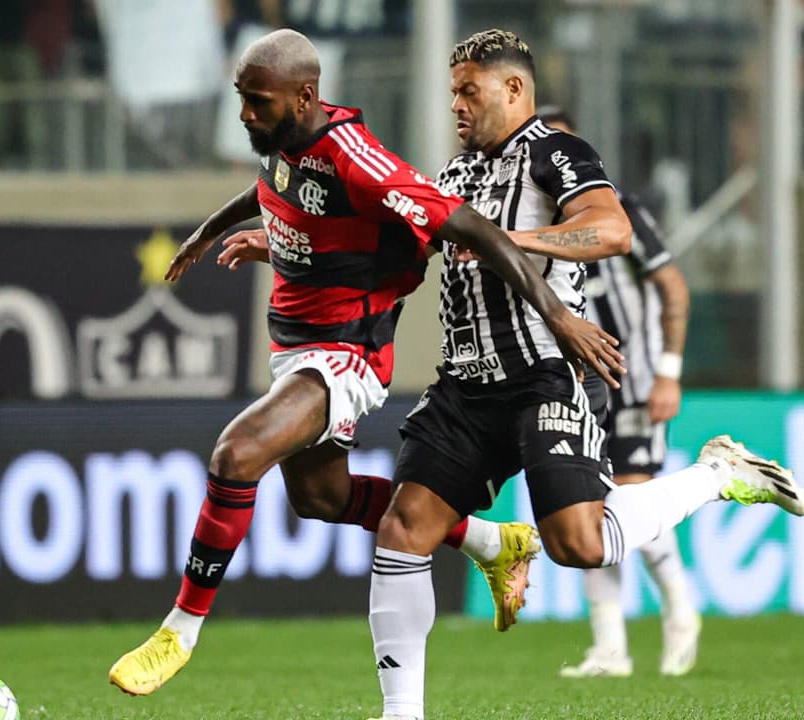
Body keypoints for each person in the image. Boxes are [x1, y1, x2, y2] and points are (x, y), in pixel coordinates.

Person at [106, 28, 626, 698]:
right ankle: (492, 544)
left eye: (256, 101)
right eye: (242, 99)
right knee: (320, 499)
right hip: (297, 348)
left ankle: (180, 630)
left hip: (347, 354)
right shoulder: (288, 141)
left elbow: (462, 227)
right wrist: (216, 233)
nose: (244, 114)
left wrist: (559, 316)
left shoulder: (364, 159)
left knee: (236, 455)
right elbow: (270, 185)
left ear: (303, 97)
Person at [364, 30, 804, 720]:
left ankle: (720, 475)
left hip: (545, 372)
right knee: (404, 528)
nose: (455, 103)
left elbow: (610, 231)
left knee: (581, 545)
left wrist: (508, 239)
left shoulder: (556, 152)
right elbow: (393, 250)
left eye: (467, 90)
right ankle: (401, 714)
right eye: (451, 90)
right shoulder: (455, 175)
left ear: (513, 89)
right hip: (463, 386)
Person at [537, 106, 700, 678]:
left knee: (628, 498)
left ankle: (679, 606)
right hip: (581, 382)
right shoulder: (535, 223)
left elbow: (673, 289)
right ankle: (610, 648)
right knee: (591, 508)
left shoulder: (619, 211)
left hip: (636, 381)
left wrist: (669, 373)